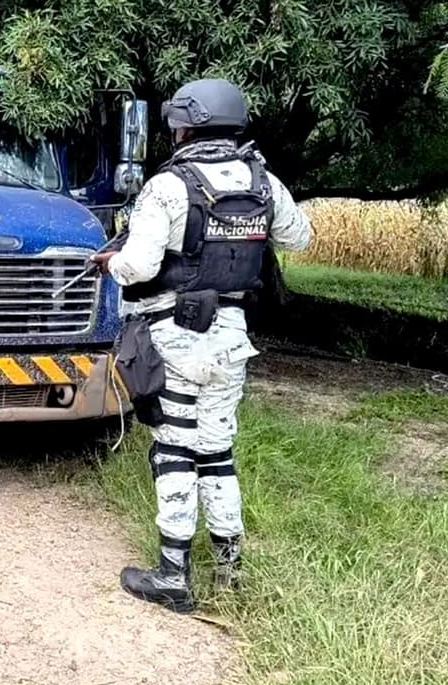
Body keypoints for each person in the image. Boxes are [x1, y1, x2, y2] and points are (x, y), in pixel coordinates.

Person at [91, 78, 312, 614]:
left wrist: (111, 262)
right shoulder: (264, 180)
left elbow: (140, 266)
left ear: (186, 124)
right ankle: (229, 571)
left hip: (175, 337)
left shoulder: (169, 185)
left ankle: (172, 573)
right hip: (233, 339)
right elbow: (299, 239)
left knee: (174, 449)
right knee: (217, 451)